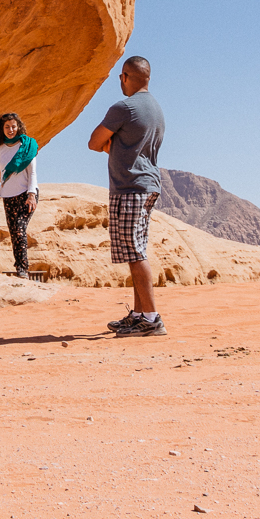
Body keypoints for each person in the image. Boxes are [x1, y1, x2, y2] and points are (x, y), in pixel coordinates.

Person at [88, 55, 166, 336]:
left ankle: (152, 318)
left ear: (126, 76)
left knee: (135, 253)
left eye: (120, 76)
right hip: (148, 184)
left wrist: (112, 146)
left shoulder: (124, 107)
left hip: (129, 186)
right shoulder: (156, 109)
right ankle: (139, 314)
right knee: (137, 250)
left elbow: (94, 142)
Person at [0, 111, 41, 278]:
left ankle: (22, 269)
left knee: (19, 230)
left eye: (13, 126)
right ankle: (20, 266)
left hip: (26, 194)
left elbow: (32, 173)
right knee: (14, 233)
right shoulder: (0, 149)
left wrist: (32, 194)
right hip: (8, 196)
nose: (10, 130)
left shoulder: (28, 146)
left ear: (19, 127)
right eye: (7, 127)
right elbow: (3, 173)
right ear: (2, 129)